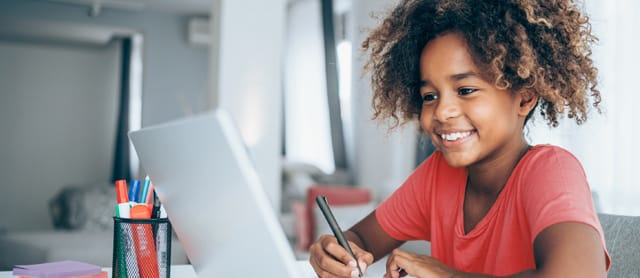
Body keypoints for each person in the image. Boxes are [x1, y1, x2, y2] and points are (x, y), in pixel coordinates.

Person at [309, 0, 611, 277]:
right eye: (429, 96)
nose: (442, 110)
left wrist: (447, 275)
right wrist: (337, 252)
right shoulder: (437, 175)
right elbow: (362, 239)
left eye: (465, 90)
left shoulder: (551, 170)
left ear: (524, 98)